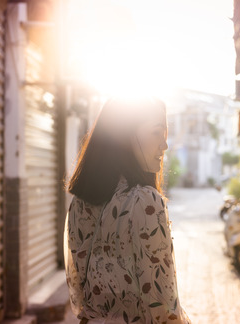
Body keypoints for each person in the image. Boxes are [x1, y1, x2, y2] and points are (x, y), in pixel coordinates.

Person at [64, 97, 191, 324]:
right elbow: (163, 306)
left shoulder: (79, 203)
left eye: (165, 134)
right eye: (156, 132)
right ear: (125, 136)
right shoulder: (145, 202)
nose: (164, 145)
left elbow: (78, 295)